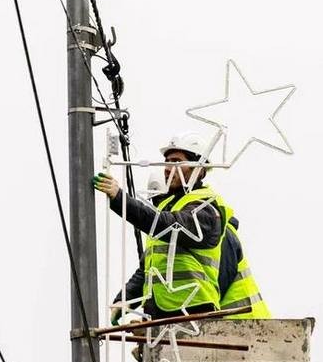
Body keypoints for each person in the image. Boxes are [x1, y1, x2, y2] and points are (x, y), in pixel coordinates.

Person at [93, 132, 269, 323]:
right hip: (168, 308)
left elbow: (169, 226)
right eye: (167, 162)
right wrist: (126, 300)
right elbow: (149, 267)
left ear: (198, 169)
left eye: (177, 161)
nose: (168, 168)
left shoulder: (207, 208)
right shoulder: (169, 207)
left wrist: (121, 199)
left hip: (202, 311)